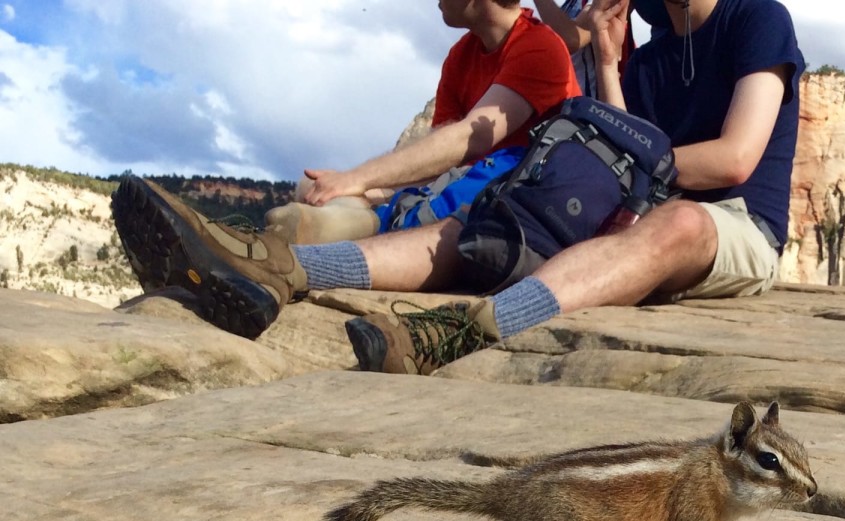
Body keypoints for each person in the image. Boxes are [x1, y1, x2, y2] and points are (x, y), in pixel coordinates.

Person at [112, 0, 805, 376]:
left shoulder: (757, 19)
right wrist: (607, 59)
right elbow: (631, 143)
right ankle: (277, 271)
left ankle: (462, 331)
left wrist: (632, 170)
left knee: (677, 225)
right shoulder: (648, 58)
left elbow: (735, 159)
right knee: (479, 229)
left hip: (729, 226)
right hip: (636, 220)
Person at [262, 0, 580, 245]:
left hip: (511, 202)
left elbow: (471, 137)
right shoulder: (461, 55)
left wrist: (357, 179)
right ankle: (346, 221)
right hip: (457, 187)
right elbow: (439, 159)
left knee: (342, 196)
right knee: (312, 187)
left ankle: (350, 229)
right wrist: (362, 187)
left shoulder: (540, 47)